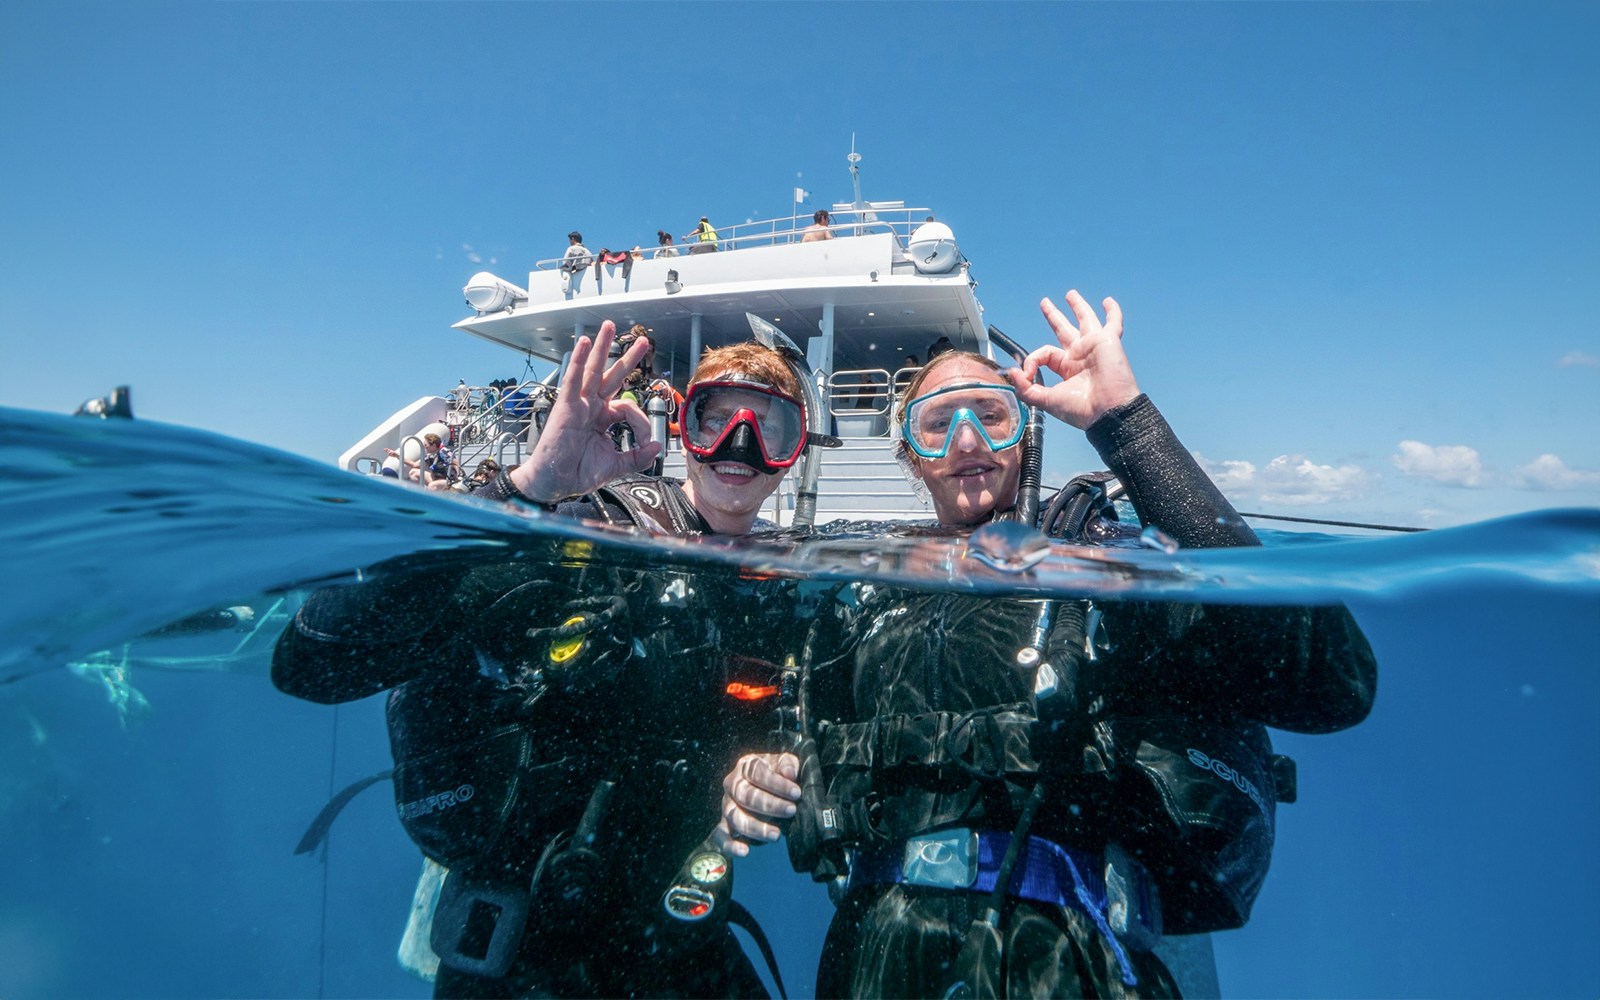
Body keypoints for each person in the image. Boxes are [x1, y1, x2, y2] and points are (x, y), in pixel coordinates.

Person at [716, 290, 1378, 998]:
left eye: (990, 416)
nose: (967, 442)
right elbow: (782, 727)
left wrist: (1126, 422)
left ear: (1025, 433)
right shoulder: (863, 594)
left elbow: (1331, 684)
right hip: (871, 956)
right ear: (910, 452)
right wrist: (752, 772)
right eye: (938, 423)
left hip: (1072, 954)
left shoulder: (1102, 566)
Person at [274, 322, 823, 998]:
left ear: (795, 450)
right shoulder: (583, 535)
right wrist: (528, 490)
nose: (742, 443)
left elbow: (799, 740)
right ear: (684, 428)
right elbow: (310, 664)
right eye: (719, 417)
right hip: (520, 955)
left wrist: (769, 773)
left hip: (677, 943)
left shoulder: (785, 595)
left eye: (771, 427)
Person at [386, 433, 457, 491]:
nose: (424, 447)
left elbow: (456, 464)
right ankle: (418, 495)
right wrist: (397, 456)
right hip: (436, 478)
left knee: (432, 486)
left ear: (434, 445)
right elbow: (414, 465)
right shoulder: (430, 456)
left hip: (449, 481)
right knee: (413, 472)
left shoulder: (443, 451)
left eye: (425, 445)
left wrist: (458, 477)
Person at [560, 231, 590, 298]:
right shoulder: (586, 250)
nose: (569, 241)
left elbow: (565, 261)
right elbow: (590, 261)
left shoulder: (571, 248)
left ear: (573, 239)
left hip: (573, 272)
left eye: (570, 239)